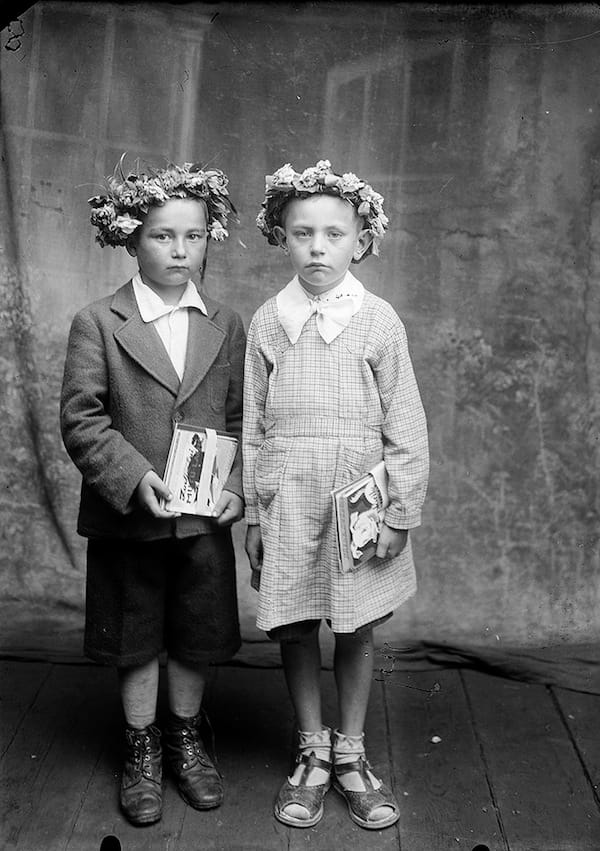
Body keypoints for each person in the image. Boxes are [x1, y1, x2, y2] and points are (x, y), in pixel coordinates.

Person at [243, 160, 429, 830]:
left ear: (361, 240)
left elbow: (404, 420)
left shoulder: (378, 321)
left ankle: (351, 751)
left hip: (359, 497)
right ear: (281, 238)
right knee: (294, 620)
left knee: (354, 623)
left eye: (333, 233)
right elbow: (255, 427)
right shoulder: (270, 322)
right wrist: (258, 512)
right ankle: (311, 749)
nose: (317, 246)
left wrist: (401, 510)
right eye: (302, 233)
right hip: (290, 494)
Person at [60, 159, 245, 826]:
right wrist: (137, 478)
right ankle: (141, 746)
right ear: (133, 238)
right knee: (134, 635)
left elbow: (236, 419)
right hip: (130, 517)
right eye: (164, 236)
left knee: (196, 632)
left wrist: (234, 488)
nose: (179, 250)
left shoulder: (225, 321)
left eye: (193, 236)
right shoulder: (99, 321)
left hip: (199, 519)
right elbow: (81, 420)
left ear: (208, 239)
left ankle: (186, 737)